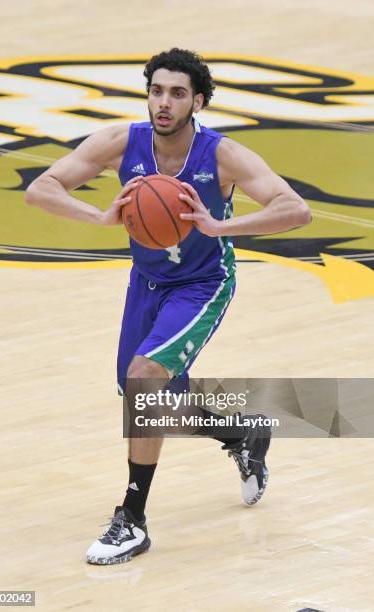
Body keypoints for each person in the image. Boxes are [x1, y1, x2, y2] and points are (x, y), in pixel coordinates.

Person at [25, 48, 311, 565]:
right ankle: (241, 429)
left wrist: (221, 225)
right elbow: (40, 189)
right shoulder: (121, 143)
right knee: (143, 395)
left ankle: (132, 519)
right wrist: (101, 217)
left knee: (144, 379)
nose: (164, 102)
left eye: (177, 93)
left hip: (202, 283)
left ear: (197, 101)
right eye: (157, 90)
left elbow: (295, 209)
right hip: (148, 282)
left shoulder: (222, 155)